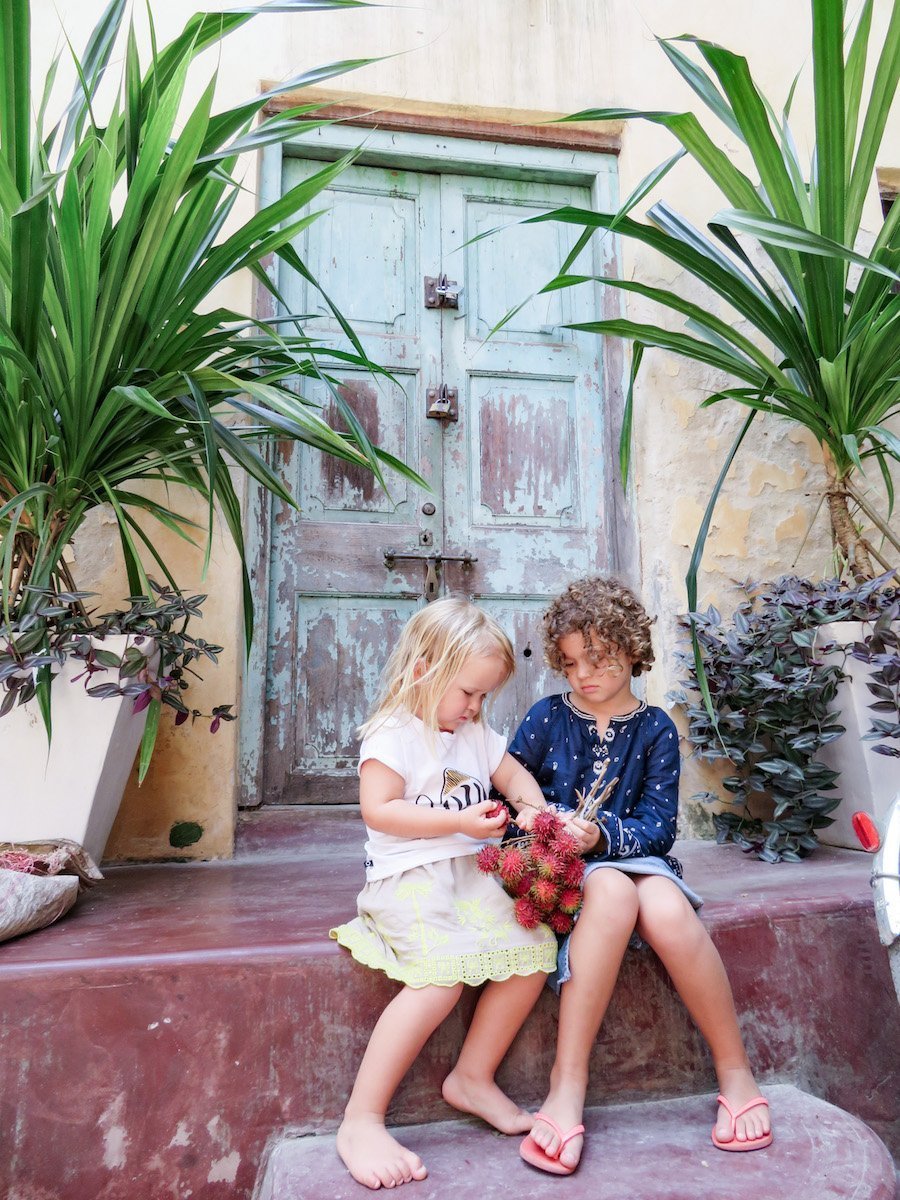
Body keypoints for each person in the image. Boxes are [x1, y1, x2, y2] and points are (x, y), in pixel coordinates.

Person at [509, 576, 772, 1176]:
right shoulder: (547, 717)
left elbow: (658, 828)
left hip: (637, 857)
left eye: (598, 660)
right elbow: (513, 789)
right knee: (609, 886)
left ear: (631, 649)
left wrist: (603, 836)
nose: (583, 675)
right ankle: (566, 1082)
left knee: (667, 907)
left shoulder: (654, 728)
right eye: (571, 663)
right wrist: (544, 826)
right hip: (570, 869)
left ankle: (735, 1071)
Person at [330, 597, 558, 1190]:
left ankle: (473, 1076)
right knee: (439, 979)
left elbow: (512, 777)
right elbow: (380, 811)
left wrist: (533, 813)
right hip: (408, 878)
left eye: (484, 697)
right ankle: (362, 1119)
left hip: (470, 875)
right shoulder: (392, 734)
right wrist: (458, 824)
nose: (475, 708)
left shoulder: (476, 732)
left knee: (532, 953)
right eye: (467, 693)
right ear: (421, 669)